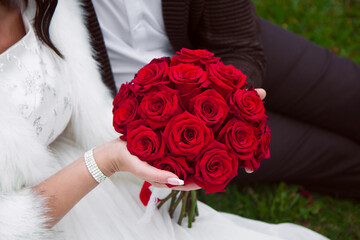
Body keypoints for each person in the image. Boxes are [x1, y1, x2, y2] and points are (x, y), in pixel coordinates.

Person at [0, 0, 329, 239]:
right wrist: (109, 159)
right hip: (53, 206)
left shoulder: (48, 9)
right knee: (325, 153)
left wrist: (220, 113)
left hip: (104, 152)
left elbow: (239, 43)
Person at [91, 0, 360, 199]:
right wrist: (204, 139)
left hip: (218, 43)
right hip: (136, 112)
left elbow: (239, 44)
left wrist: (230, 100)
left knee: (350, 93)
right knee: (331, 154)